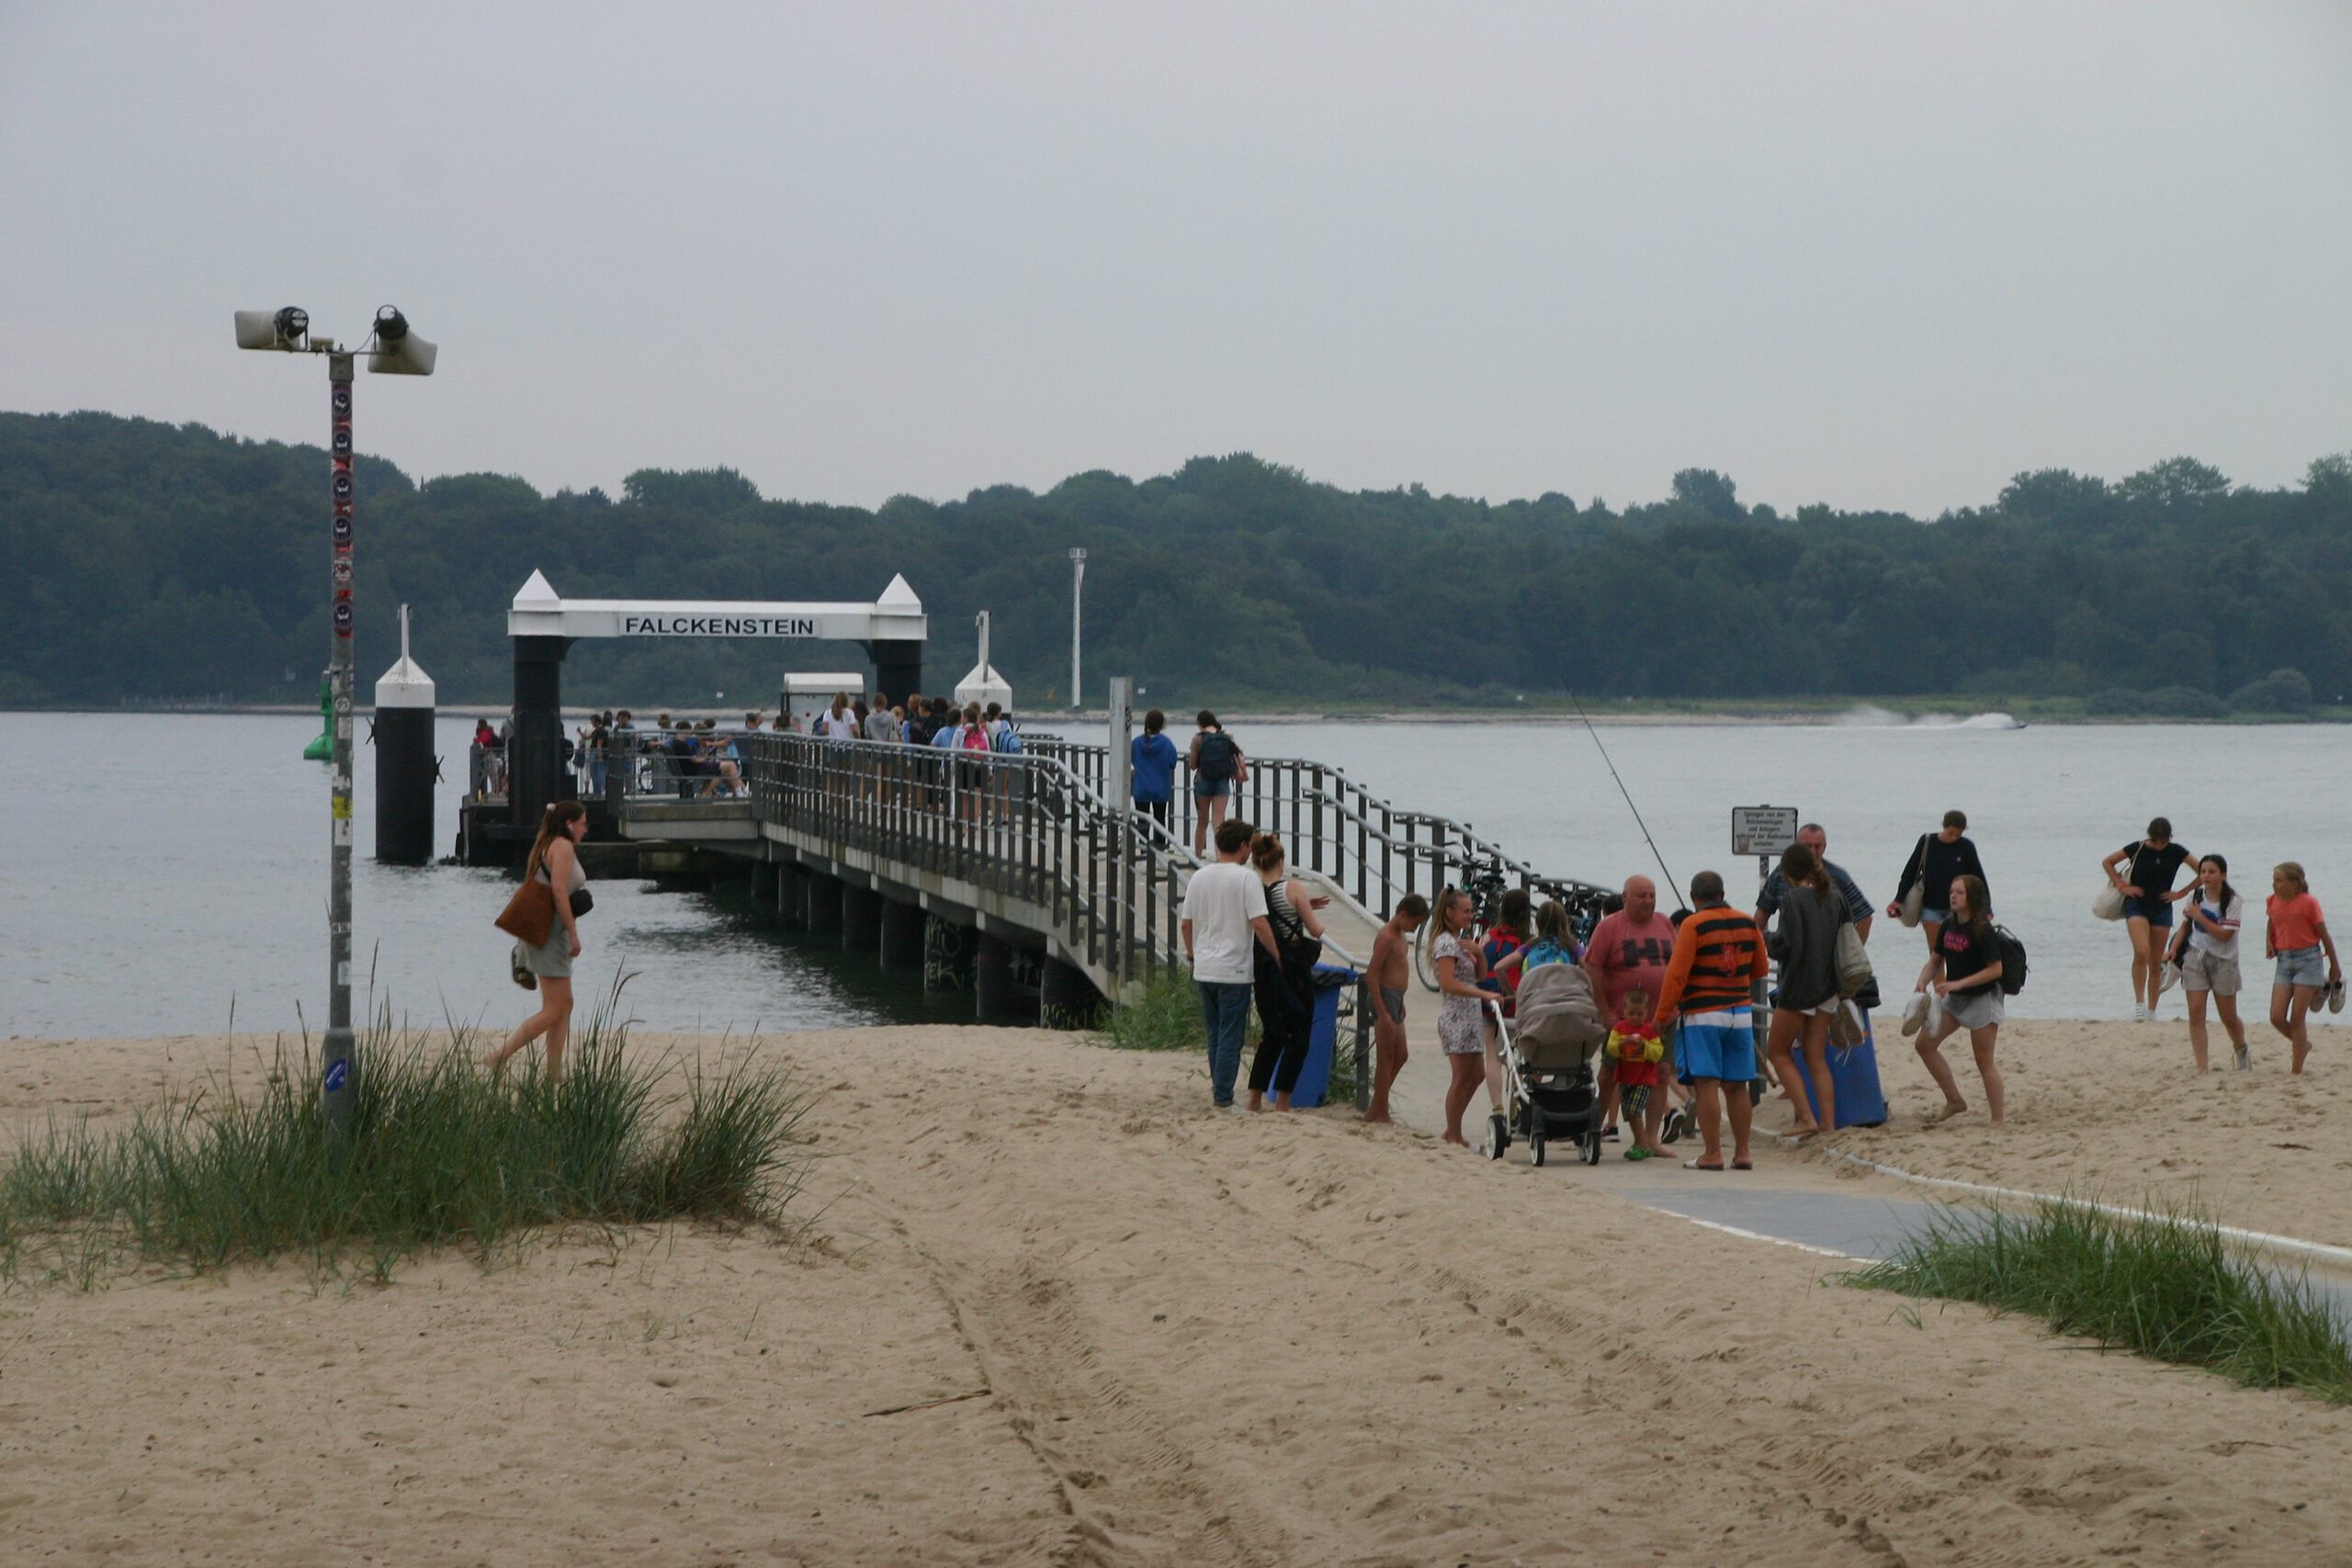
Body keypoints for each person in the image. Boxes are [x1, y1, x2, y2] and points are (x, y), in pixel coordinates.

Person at [1647, 871, 1769, 1171]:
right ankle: (1742, 1153)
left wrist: (1661, 1016)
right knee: (1737, 1085)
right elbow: (1760, 968)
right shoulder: (1747, 922)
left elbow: (1676, 976)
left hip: (1702, 1014)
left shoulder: (1693, 924)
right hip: (1740, 1013)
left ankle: (1713, 1154)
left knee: (1706, 1083)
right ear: (1722, 893)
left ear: (1694, 897)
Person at [487, 800, 590, 1084]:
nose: (585, 829)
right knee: (555, 1008)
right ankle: (499, 1056)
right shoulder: (563, 847)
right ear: (569, 824)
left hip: (550, 931)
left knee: (564, 1004)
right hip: (550, 933)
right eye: (583, 823)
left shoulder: (552, 844)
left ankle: (554, 1072)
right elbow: (558, 891)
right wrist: (573, 932)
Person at [1181, 818, 1280, 1111]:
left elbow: (1186, 924)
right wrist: (1277, 954)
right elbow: (1259, 922)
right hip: (1233, 970)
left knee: (1215, 1033)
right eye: (1249, 846)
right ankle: (1223, 1097)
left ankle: (1219, 1090)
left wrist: (1192, 955)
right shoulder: (1247, 879)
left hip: (1205, 967)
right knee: (1230, 1036)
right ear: (1243, 846)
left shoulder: (1199, 877)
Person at [1584, 874, 1691, 1144]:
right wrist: (1605, 1012)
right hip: (1623, 1020)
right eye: (1641, 895)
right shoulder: (1609, 927)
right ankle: (1592, 1132)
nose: (1648, 901)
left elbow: (1678, 963)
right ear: (1625, 898)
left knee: (1661, 1074)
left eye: (1652, 895)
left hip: (1662, 1017)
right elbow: (1592, 968)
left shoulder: (1664, 923)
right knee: (1609, 1076)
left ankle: (1651, 1140)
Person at [1761, 843, 1852, 1139]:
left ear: (1788, 872)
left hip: (1799, 986)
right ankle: (1827, 1122)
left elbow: (1784, 945)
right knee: (1816, 1056)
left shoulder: (1793, 899)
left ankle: (1805, 1117)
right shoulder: (1836, 896)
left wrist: (1765, 938)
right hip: (1828, 986)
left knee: (1778, 1051)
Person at [1911, 874, 2007, 1123]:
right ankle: (1954, 1100)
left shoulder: (1983, 929)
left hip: (1982, 999)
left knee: (1984, 1061)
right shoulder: (1948, 925)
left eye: (1959, 893)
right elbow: (1935, 960)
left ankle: (1998, 1120)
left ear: (1971, 897)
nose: (1953, 896)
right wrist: (1922, 980)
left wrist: (1958, 983)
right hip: (1955, 1000)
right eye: (1952, 892)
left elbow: (1996, 970)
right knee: (1924, 1045)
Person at [1244, 835, 1327, 1111]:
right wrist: (1307, 911)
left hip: (1263, 967)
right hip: (1293, 968)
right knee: (1299, 1034)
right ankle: (1282, 1102)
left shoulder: (1252, 888)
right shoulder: (1293, 888)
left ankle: (1254, 1099)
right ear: (1280, 861)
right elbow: (1315, 930)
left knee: (1272, 1033)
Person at [1430, 886, 1506, 1151]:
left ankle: (1452, 1130)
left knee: (1476, 1075)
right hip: (1457, 1016)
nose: (1471, 916)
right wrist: (1484, 994)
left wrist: (1480, 953)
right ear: (1449, 913)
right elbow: (1448, 983)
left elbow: (1480, 975)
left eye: (1472, 911)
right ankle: (1454, 1134)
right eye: (1465, 911)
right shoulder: (1445, 943)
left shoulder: (1460, 941)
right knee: (1462, 1076)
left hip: (1471, 1014)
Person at [2102, 818, 2194, 1021]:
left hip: (2162, 907)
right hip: (2137, 905)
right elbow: (2108, 862)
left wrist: (2181, 893)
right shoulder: (2138, 848)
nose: (2160, 845)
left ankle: (2152, 1009)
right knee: (2142, 951)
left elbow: (2202, 870)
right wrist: (2122, 886)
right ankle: (2139, 1004)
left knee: (2155, 960)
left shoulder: (2176, 851)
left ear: (2169, 837)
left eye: (2164, 841)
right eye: (2156, 840)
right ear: (2150, 836)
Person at [2266, 862, 2340, 1076]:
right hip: (2284, 960)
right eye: (2274, 880)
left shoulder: (2309, 903)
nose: (2275, 884)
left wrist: (2334, 965)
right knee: (2276, 1017)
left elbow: (2324, 935)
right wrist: (2269, 941)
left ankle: (2296, 1070)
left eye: (2279, 880)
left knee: (2297, 1018)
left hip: (2308, 960)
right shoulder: (2272, 900)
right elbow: (2272, 920)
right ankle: (2303, 1044)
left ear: (2296, 884)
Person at [2177, 853, 2249, 1072]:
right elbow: (2185, 926)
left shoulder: (2233, 901)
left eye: (2211, 872)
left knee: (2228, 1016)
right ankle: (2202, 1066)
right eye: (2203, 872)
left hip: (2223, 962)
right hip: (2195, 957)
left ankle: (2241, 1049)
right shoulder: (2195, 896)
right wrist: (2171, 950)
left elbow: (2225, 935)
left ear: (2223, 875)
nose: (2206, 876)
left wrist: (2199, 916)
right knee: (2196, 1013)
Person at [1363, 894, 1430, 1123]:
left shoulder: (1400, 936)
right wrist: (1383, 1013)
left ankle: (1376, 1106)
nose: (1415, 929)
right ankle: (1380, 1111)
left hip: (1396, 999)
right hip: (1385, 997)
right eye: (1415, 923)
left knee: (1401, 1055)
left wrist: (1400, 1004)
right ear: (1403, 914)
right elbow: (1371, 975)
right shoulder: (1386, 937)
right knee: (1387, 1057)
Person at [1889, 810, 1988, 959]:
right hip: (1930, 907)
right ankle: (1939, 976)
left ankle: (1955, 975)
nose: (1954, 837)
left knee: (1958, 954)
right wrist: (1898, 899)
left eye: (1958, 834)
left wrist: (1986, 908)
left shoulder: (1966, 846)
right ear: (1944, 826)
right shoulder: (1927, 842)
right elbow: (1910, 872)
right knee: (1936, 955)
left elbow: (1978, 878)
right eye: (1951, 833)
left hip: (1958, 909)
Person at [1604, 989, 1671, 1161]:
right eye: (1631, 1013)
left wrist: (1644, 1046)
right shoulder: (1620, 1028)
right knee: (1629, 1113)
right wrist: (1622, 1044)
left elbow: (1657, 1053)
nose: (1635, 1018)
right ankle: (1639, 1142)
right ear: (1624, 1011)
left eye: (1640, 1014)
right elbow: (1611, 1048)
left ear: (1647, 1012)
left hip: (1644, 1078)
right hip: (1625, 1078)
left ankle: (1643, 1145)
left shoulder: (1649, 1030)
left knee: (1634, 1111)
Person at [1189, 712, 1245, 855]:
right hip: (1222, 782)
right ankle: (1220, 856)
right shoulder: (1227, 737)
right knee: (1218, 822)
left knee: (1202, 822)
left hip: (1203, 782)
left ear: (1200, 723)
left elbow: (1192, 765)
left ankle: (1197, 855)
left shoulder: (1198, 738)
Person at [1131, 708, 1180, 833]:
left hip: (1141, 787)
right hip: (1160, 788)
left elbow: (1132, 759)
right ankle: (1160, 844)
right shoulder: (1166, 743)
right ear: (1162, 724)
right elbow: (1172, 763)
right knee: (1160, 820)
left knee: (1142, 822)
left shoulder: (1136, 743)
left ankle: (1142, 844)